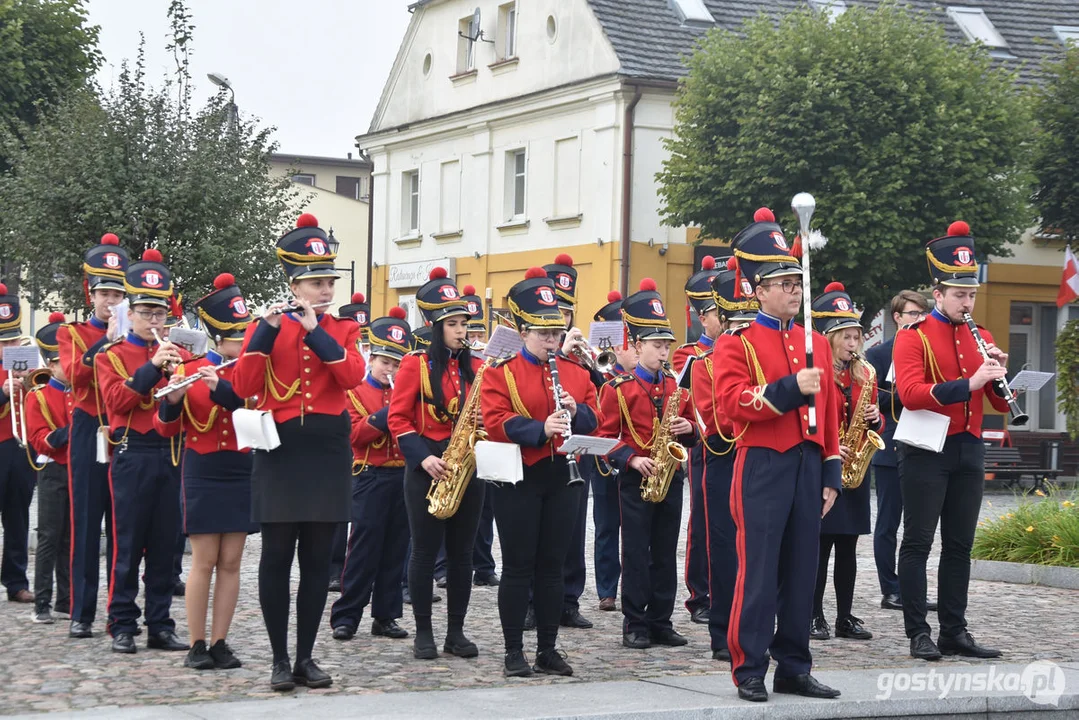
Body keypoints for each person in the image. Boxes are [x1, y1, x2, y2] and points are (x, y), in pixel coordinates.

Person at [232, 213, 366, 690]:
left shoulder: (343, 329)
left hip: (328, 448)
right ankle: (277, 659)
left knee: (316, 559)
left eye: (328, 281)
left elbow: (351, 377)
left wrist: (316, 331)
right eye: (315, 283)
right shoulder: (265, 326)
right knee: (276, 557)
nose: (325, 290)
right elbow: (244, 386)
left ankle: (307, 656)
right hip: (281, 450)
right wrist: (267, 333)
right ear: (294, 284)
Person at [713, 208, 841, 703]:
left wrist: (831, 470)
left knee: (802, 570)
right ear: (758, 290)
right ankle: (749, 666)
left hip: (808, 464)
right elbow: (730, 406)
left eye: (796, 281)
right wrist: (789, 388)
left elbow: (828, 414)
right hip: (762, 461)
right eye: (783, 283)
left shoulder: (816, 344)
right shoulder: (736, 342)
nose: (793, 290)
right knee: (759, 568)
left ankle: (794, 665)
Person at [894, 221, 1008, 661]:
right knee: (919, 541)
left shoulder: (984, 337)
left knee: (960, 544)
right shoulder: (914, 335)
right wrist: (968, 382)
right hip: (926, 449)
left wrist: (999, 377)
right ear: (937, 294)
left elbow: (997, 403)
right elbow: (909, 393)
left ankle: (954, 630)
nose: (967, 302)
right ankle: (918, 632)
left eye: (972, 294)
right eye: (959, 295)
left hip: (968, 446)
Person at [481, 267, 599, 677]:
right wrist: (539, 428)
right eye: (542, 334)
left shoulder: (576, 372)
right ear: (522, 331)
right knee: (517, 565)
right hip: (519, 477)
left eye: (555, 333)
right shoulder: (502, 371)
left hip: (562, 477)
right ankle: (514, 651)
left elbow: (595, 418)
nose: (551, 341)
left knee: (553, 565)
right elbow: (495, 419)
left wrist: (574, 411)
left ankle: (548, 647)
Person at [154, 273, 256, 670]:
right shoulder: (191, 368)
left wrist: (225, 390)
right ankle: (197, 643)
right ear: (217, 338)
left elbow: (258, 415)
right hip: (202, 469)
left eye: (244, 334)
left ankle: (220, 641)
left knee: (232, 561)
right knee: (204, 560)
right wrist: (175, 397)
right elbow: (166, 428)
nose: (242, 343)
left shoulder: (250, 372)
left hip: (240, 468)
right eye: (234, 336)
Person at [94, 249, 191, 655]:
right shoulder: (111, 355)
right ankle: (121, 622)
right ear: (129, 314)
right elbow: (117, 401)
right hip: (132, 453)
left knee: (165, 544)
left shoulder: (178, 355)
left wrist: (181, 380)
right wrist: (152, 367)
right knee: (128, 544)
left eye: (160, 313)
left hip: (170, 452)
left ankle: (160, 623)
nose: (155, 321)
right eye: (147, 312)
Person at [387, 267, 485, 661]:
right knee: (424, 552)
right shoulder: (415, 364)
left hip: (467, 467)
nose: (463, 331)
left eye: (465, 323)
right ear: (436, 326)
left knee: (463, 556)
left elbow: (487, 415)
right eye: (455, 324)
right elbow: (398, 418)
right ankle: (424, 632)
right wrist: (423, 457)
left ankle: (456, 633)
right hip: (426, 465)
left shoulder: (476, 368)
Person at [597, 278, 698, 651]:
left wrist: (688, 428)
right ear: (637, 346)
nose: (664, 352)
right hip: (636, 480)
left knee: (665, 552)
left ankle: (661, 619)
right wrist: (633, 457)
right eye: (657, 346)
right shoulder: (617, 389)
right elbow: (606, 438)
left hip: (669, 478)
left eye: (667, 346)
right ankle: (634, 622)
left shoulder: (676, 387)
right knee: (636, 553)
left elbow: (691, 431)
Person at [58, 234, 128, 637]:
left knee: (123, 525)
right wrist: (108, 339)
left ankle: (117, 612)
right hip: (88, 426)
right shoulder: (74, 334)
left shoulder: (134, 337)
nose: (110, 301)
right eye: (104, 293)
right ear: (92, 295)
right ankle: (81, 613)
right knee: (86, 520)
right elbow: (74, 375)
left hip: (122, 426)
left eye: (117, 293)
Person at [330, 307, 413, 642]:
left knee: (396, 549)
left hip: (402, 477)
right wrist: (388, 413)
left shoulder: (406, 392)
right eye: (384, 363)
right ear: (371, 358)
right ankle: (347, 615)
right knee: (363, 549)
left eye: (395, 364)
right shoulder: (354, 392)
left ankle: (386, 615)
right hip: (369, 475)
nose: (389, 370)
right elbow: (356, 435)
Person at [809, 282, 883, 643]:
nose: (854, 345)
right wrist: (835, 446)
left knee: (849, 549)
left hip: (855, 471)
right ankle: (813, 614)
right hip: (826, 467)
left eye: (857, 338)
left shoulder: (864, 374)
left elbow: (876, 419)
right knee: (820, 548)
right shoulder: (817, 372)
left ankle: (844, 616)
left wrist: (874, 417)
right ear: (831, 338)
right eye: (847, 338)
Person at [696, 258, 758, 662]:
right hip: (723, 458)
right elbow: (714, 417)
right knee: (722, 550)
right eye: (736, 325)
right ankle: (722, 631)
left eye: (747, 324)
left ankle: (754, 626)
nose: (742, 332)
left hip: (758, 458)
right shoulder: (706, 364)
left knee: (758, 550)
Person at [537, 254, 594, 631]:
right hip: (538, 458)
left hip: (574, 458)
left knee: (573, 533)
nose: (563, 322)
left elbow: (595, 414)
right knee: (536, 535)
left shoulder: (579, 365)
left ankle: (569, 601)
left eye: (568, 314)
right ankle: (533, 602)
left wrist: (578, 411)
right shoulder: (526, 360)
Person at [865, 290, 931, 612]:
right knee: (888, 524)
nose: (919, 319)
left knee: (919, 526)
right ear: (897, 317)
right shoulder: (879, 355)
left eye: (923, 314)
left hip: (926, 443)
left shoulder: (930, 348)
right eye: (912, 314)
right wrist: (906, 393)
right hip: (892, 444)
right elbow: (872, 402)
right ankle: (890, 589)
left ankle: (913, 590)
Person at [673, 255, 722, 625]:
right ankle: (699, 594)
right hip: (703, 444)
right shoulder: (687, 354)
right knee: (703, 521)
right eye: (716, 313)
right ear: (702, 318)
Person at [585, 290, 635, 612]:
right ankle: (606, 590)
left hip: (631, 455)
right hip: (603, 457)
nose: (621, 347)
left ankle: (631, 585)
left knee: (633, 527)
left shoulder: (635, 369)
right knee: (605, 526)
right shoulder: (599, 371)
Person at [25, 313, 73, 624]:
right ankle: (42, 602)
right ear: (52, 365)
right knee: (49, 537)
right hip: (54, 470)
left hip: (78, 470)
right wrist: (71, 432)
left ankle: (66, 601)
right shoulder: (39, 396)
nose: (69, 367)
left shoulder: (81, 395)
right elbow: (40, 440)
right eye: (63, 362)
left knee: (71, 538)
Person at [329, 291, 371, 592]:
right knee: (336, 504)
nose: (365, 345)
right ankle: (334, 567)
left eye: (367, 339)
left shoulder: (382, 356)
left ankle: (356, 565)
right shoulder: (346, 350)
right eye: (362, 339)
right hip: (343, 424)